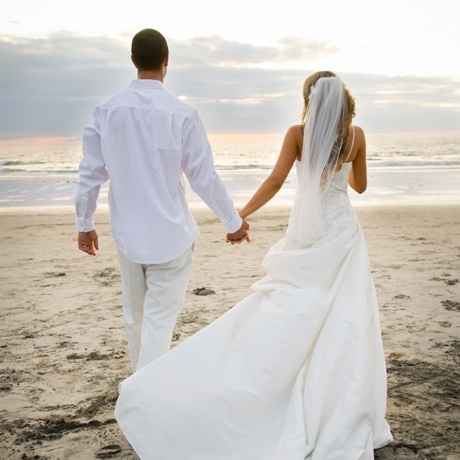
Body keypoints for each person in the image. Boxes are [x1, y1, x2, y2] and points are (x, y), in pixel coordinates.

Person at [114, 70, 394, 459]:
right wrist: (344, 165)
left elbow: (277, 181)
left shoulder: (298, 135)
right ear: (346, 102)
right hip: (342, 234)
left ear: (310, 101)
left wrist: (240, 216)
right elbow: (360, 187)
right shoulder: (356, 137)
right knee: (345, 316)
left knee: (293, 309)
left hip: (308, 236)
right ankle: (336, 400)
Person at [74, 28, 249, 372]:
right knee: (157, 325)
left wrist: (85, 223)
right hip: (172, 237)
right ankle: (146, 395)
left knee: (135, 320)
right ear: (166, 62)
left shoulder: (106, 112)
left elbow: (90, 172)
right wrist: (234, 222)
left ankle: (141, 390)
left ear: (133, 61)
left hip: (128, 236)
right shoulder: (182, 114)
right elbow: (204, 177)